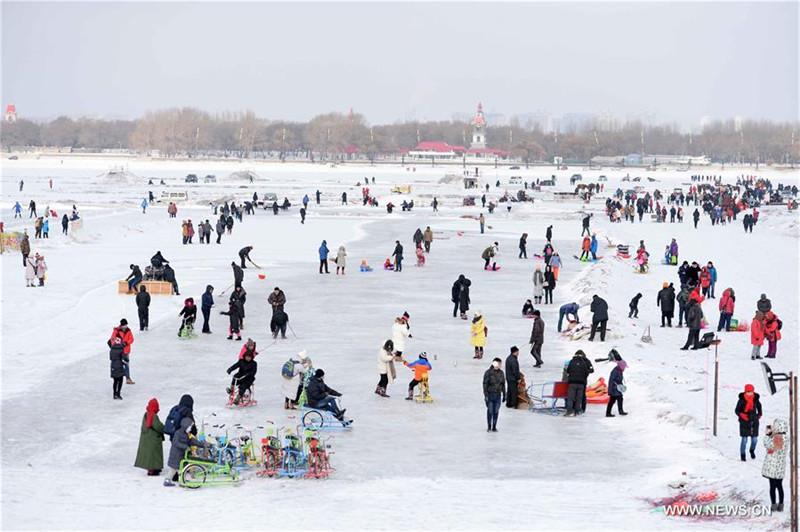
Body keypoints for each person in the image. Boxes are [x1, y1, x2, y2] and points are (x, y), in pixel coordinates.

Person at [762, 419, 788, 512]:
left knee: (772, 487)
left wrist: (767, 435)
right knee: (779, 486)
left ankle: (773, 505)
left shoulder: (777, 437)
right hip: (780, 466)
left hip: (773, 466)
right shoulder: (785, 436)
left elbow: (767, 445)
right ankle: (781, 505)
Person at [134, 398, 165, 476]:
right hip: (153, 439)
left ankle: (153, 468)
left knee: (150, 455)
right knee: (154, 455)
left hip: (146, 438)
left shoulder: (146, 414)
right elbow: (157, 426)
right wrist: (165, 428)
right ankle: (153, 470)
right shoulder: (153, 415)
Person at [734, 384, 762, 461]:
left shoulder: (755, 399)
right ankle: (743, 454)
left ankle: (752, 450)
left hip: (754, 420)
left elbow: (759, 406)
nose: (750, 393)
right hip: (744, 422)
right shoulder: (741, 400)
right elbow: (737, 410)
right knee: (744, 440)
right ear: (745, 392)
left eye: (751, 391)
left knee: (754, 439)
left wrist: (759, 414)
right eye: (748, 392)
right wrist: (742, 415)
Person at [164, 417, 194, 487]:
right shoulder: (178, 433)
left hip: (179, 455)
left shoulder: (186, 434)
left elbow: (192, 441)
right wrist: (185, 447)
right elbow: (176, 443)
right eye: (190, 426)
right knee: (179, 469)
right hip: (176, 455)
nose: (191, 428)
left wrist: (202, 444)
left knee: (174, 469)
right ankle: (181, 481)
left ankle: (168, 480)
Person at [565, 350, 593, 416]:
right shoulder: (584, 362)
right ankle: (577, 411)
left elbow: (568, 370)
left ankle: (570, 411)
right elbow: (587, 371)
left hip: (573, 382)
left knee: (571, 397)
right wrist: (583, 376)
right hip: (582, 382)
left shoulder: (572, 361)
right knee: (579, 398)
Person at [483, 358, 505, 432]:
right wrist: (486, 395)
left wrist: (504, 394)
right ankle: (489, 426)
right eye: (499, 363)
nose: (500, 365)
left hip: (498, 395)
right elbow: (485, 384)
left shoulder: (501, 373)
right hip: (490, 395)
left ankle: (494, 426)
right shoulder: (488, 373)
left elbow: (503, 384)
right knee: (490, 411)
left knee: (496, 411)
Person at [110, 319, 135, 384]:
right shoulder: (116, 331)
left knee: (126, 365)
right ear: (121, 325)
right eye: (124, 325)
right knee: (118, 365)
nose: (125, 326)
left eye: (126, 325)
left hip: (126, 351)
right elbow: (112, 339)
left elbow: (131, 339)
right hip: (118, 351)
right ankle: (118, 379)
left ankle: (128, 379)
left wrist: (126, 343)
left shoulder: (128, 330)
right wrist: (118, 345)